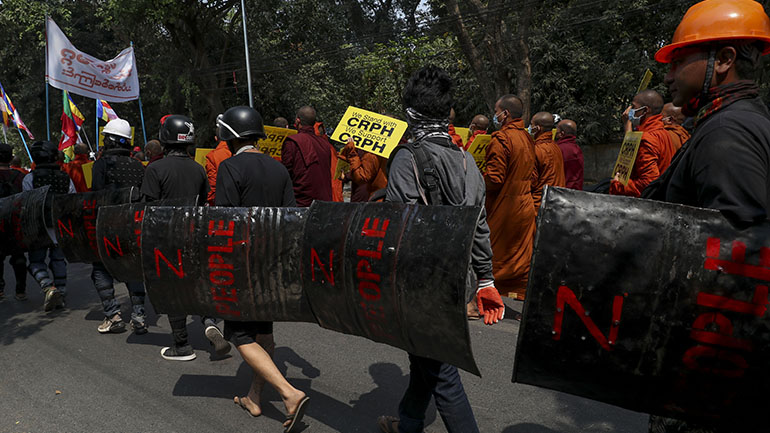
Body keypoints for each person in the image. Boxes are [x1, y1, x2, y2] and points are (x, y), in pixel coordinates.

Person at [643, 1, 770, 431]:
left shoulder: (728, 132)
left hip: (708, 368)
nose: (668, 75)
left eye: (678, 61)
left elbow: (738, 255)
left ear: (725, 60)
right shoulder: (732, 121)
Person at [377, 66, 505, 433]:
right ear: (448, 115)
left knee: (442, 372)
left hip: (420, 283)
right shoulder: (468, 161)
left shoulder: (406, 157)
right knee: (425, 360)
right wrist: (484, 280)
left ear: (410, 115)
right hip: (459, 278)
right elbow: (479, 224)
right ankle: (408, 422)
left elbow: (400, 225)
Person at [214, 106, 310, 433]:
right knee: (263, 333)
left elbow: (224, 221)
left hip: (243, 266)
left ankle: (289, 393)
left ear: (229, 136)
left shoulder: (230, 167)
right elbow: (291, 218)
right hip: (272, 264)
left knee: (240, 334)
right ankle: (254, 397)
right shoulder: (279, 169)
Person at [141, 114, 229, 361]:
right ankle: (210, 322)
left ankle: (182, 346)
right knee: (198, 283)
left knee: (173, 290)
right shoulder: (198, 169)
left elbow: (148, 210)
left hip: (167, 239)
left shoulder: (155, 169)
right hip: (195, 235)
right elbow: (203, 204)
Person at [90, 119, 148, 334]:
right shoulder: (138, 165)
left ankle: (113, 315)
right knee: (132, 267)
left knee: (100, 269)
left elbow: (96, 194)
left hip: (107, 225)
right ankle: (139, 315)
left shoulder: (101, 164)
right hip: (132, 226)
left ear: (111, 139)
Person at [484, 94, 537, 300]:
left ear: (505, 114)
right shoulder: (527, 138)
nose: (495, 116)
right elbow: (533, 175)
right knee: (519, 256)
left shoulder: (502, 138)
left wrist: (478, 181)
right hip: (525, 204)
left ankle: (486, 297)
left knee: (495, 254)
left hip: (505, 205)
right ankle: (517, 296)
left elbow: (495, 179)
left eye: (496, 112)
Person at [22, 141, 76, 311]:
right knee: (59, 259)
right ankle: (61, 291)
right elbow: (72, 200)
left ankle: (48, 288)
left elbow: (26, 204)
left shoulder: (29, 178)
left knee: (36, 262)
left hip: (38, 228)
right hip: (60, 226)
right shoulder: (65, 177)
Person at [610, 89, 677, 197]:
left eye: (634, 107)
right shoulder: (665, 133)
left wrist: (617, 185)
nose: (630, 111)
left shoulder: (646, 138)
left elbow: (648, 183)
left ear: (645, 110)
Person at [281, 106, 332, 206]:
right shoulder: (325, 144)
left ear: (297, 120)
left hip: (302, 204)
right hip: (324, 203)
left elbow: (285, 173)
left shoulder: (292, 142)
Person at [0, 143, 27, 302]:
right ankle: (20, 290)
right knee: (19, 256)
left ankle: (0, 290)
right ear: (10, 158)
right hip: (15, 222)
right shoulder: (20, 177)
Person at [529, 111, 566, 213]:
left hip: (540, 203)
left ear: (538, 128)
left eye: (531, 125)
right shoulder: (556, 147)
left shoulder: (536, 150)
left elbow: (531, 181)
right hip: (557, 200)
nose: (529, 128)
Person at [555, 119, 584, 191]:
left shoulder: (558, 149)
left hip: (561, 192)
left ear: (561, 133)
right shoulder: (577, 148)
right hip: (576, 192)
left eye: (556, 131)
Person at [205, 137, 232, 205]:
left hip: (222, 203)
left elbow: (213, 185)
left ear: (216, 138)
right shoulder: (239, 153)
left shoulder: (213, 156)